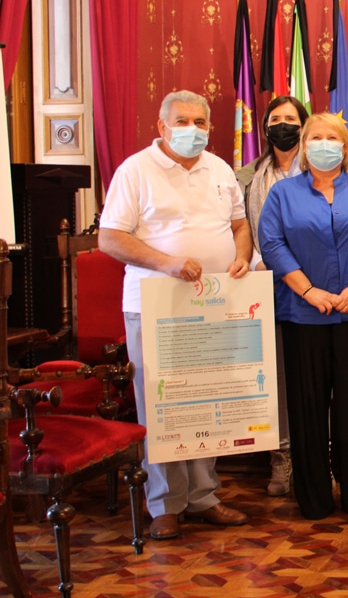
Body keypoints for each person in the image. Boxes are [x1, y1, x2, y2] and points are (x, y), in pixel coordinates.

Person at [98, 90, 252, 541]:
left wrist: (242, 255)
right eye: (183, 122)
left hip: (214, 302)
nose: (194, 130)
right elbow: (110, 238)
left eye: (201, 122)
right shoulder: (136, 170)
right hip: (157, 304)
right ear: (163, 127)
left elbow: (239, 225)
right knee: (164, 403)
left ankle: (204, 495)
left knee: (208, 398)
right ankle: (165, 503)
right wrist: (165, 263)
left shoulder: (220, 168)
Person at [258, 113, 348, 521]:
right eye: (314, 137)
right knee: (307, 409)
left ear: (345, 146)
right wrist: (310, 291)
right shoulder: (282, 195)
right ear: (303, 144)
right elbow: (272, 243)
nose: (323, 144)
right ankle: (314, 497)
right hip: (303, 316)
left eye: (331, 137)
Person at [237, 94, 309, 498]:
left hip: (315, 286)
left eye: (291, 118)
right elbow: (239, 229)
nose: (283, 125)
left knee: (316, 379)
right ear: (264, 128)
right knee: (277, 379)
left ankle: (320, 455)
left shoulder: (320, 171)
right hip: (264, 287)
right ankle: (282, 459)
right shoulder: (246, 177)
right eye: (275, 119)